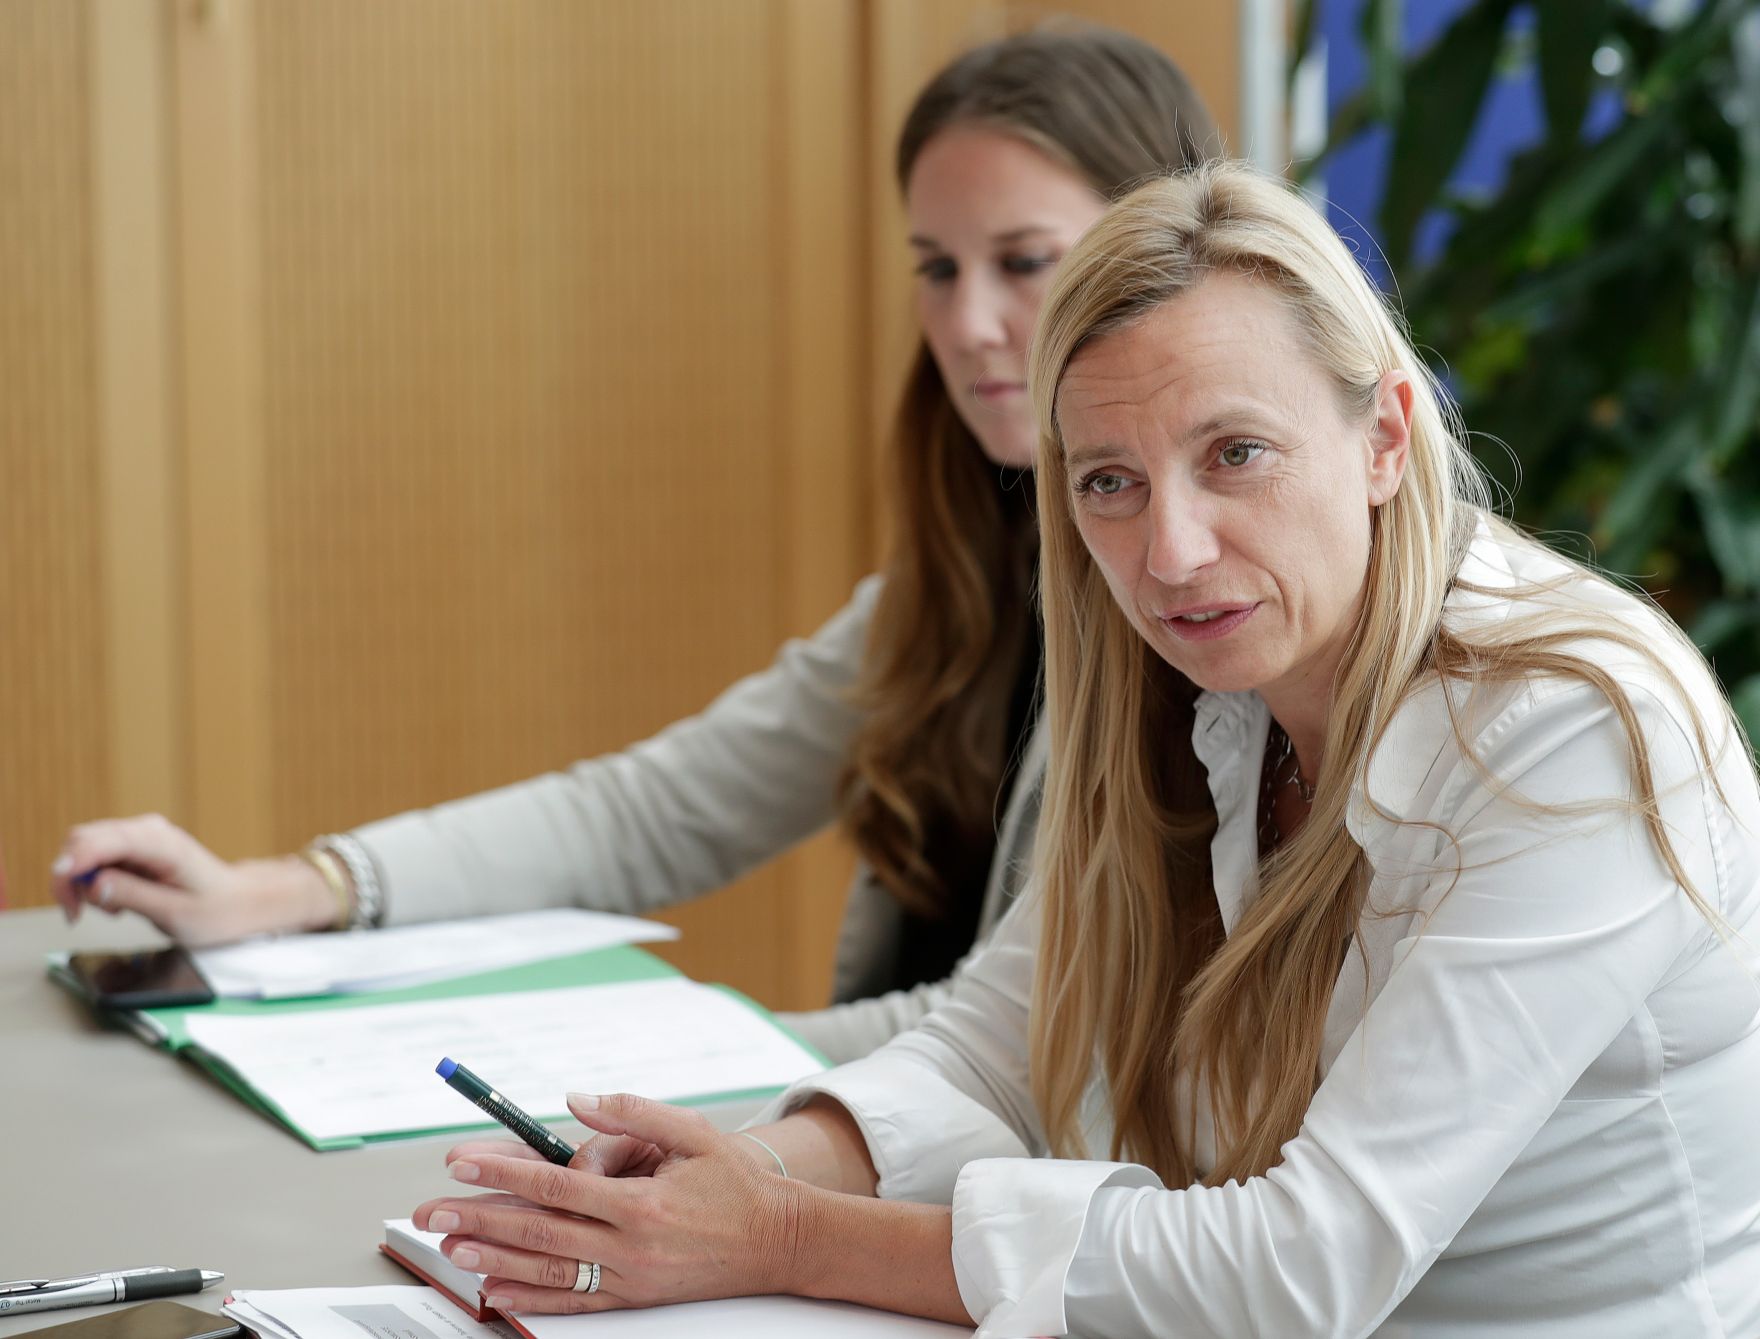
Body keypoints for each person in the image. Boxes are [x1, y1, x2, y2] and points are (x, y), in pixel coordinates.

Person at [407, 162, 1760, 1336]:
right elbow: (1002, 1044)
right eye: (1108, 479)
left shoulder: (1578, 725)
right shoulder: (1195, 678)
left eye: (1236, 453)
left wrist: (785, 1233)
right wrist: (744, 1175)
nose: (1169, 552)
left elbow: (1304, 1267)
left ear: (1385, 438)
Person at [47, 27, 1220, 1065]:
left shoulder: (1201, 605)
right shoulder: (978, 568)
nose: (967, 324)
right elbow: (653, 809)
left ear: (1165, 256)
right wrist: (287, 890)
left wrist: (605, 1057)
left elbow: (1016, 1037)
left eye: (1022, 261)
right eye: (934, 268)